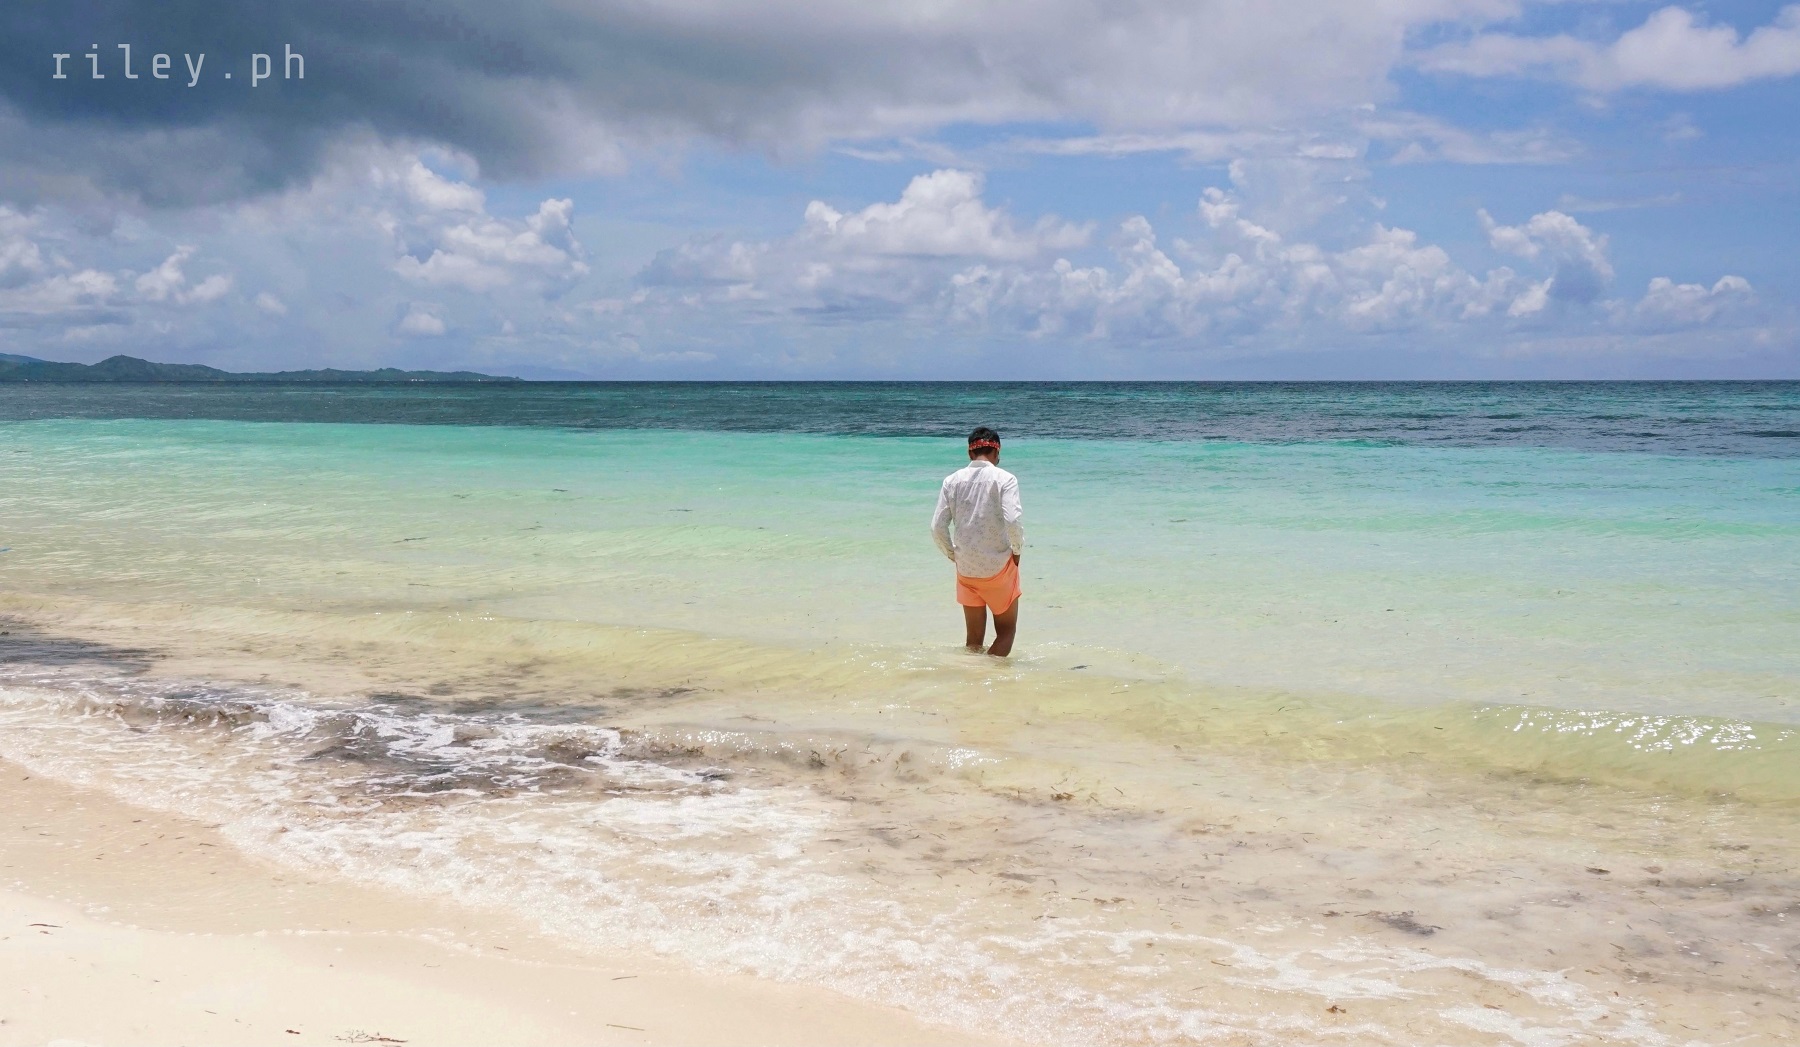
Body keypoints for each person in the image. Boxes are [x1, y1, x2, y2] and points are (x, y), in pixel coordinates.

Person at [930, 427, 1024, 657]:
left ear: (970, 453)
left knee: (973, 641)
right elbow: (1013, 520)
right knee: (1006, 632)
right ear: (997, 453)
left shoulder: (952, 481)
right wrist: (1017, 551)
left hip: (966, 569)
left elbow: (937, 527)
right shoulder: (1005, 479)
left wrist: (953, 555)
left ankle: (971, 681)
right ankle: (987, 680)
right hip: (997, 569)